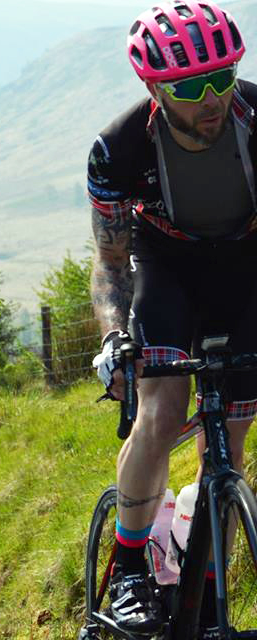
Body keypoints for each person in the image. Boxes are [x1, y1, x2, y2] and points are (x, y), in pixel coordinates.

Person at [87, 1, 257, 636]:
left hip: (246, 261)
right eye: (190, 88)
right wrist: (114, 336)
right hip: (166, 263)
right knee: (160, 413)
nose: (212, 99)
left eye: (222, 77)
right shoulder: (119, 148)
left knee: (230, 441)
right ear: (156, 89)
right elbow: (110, 261)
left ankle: (206, 591)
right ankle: (130, 569)